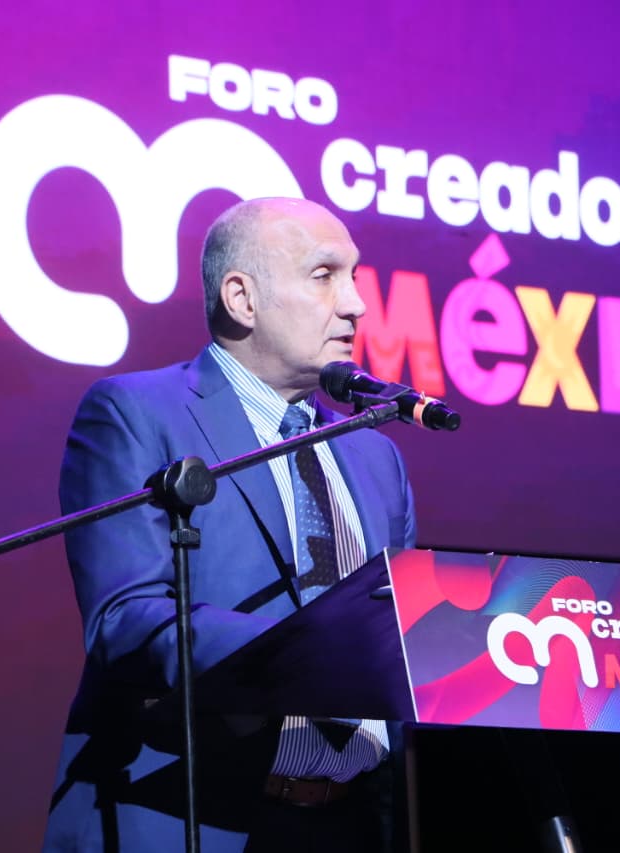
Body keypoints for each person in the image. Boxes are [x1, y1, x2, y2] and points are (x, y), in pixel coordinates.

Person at [42, 197, 418, 852]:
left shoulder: (375, 454)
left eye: (355, 277)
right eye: (325, 276)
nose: (357, 304)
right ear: (242, 298)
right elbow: (126, 618)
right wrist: (309, 652)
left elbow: (404, 643)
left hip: (356, 823)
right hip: (199, 816)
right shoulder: (136, 413)